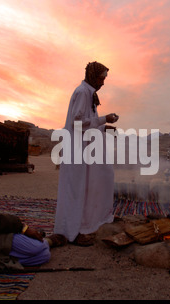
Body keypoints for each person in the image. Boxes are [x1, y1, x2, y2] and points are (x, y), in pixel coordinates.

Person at [54, 61, 119, 246]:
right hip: (78, 150)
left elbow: (87, 121)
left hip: (86, 149)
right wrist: (103, 119)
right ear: (93, 76)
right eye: (101, 78)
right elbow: (77, 123)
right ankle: (72, 233)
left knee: (100, 179)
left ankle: (89, 223)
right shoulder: (83, 92)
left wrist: (103, 126)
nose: (103, 82)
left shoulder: (89, 94)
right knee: (76, 189)